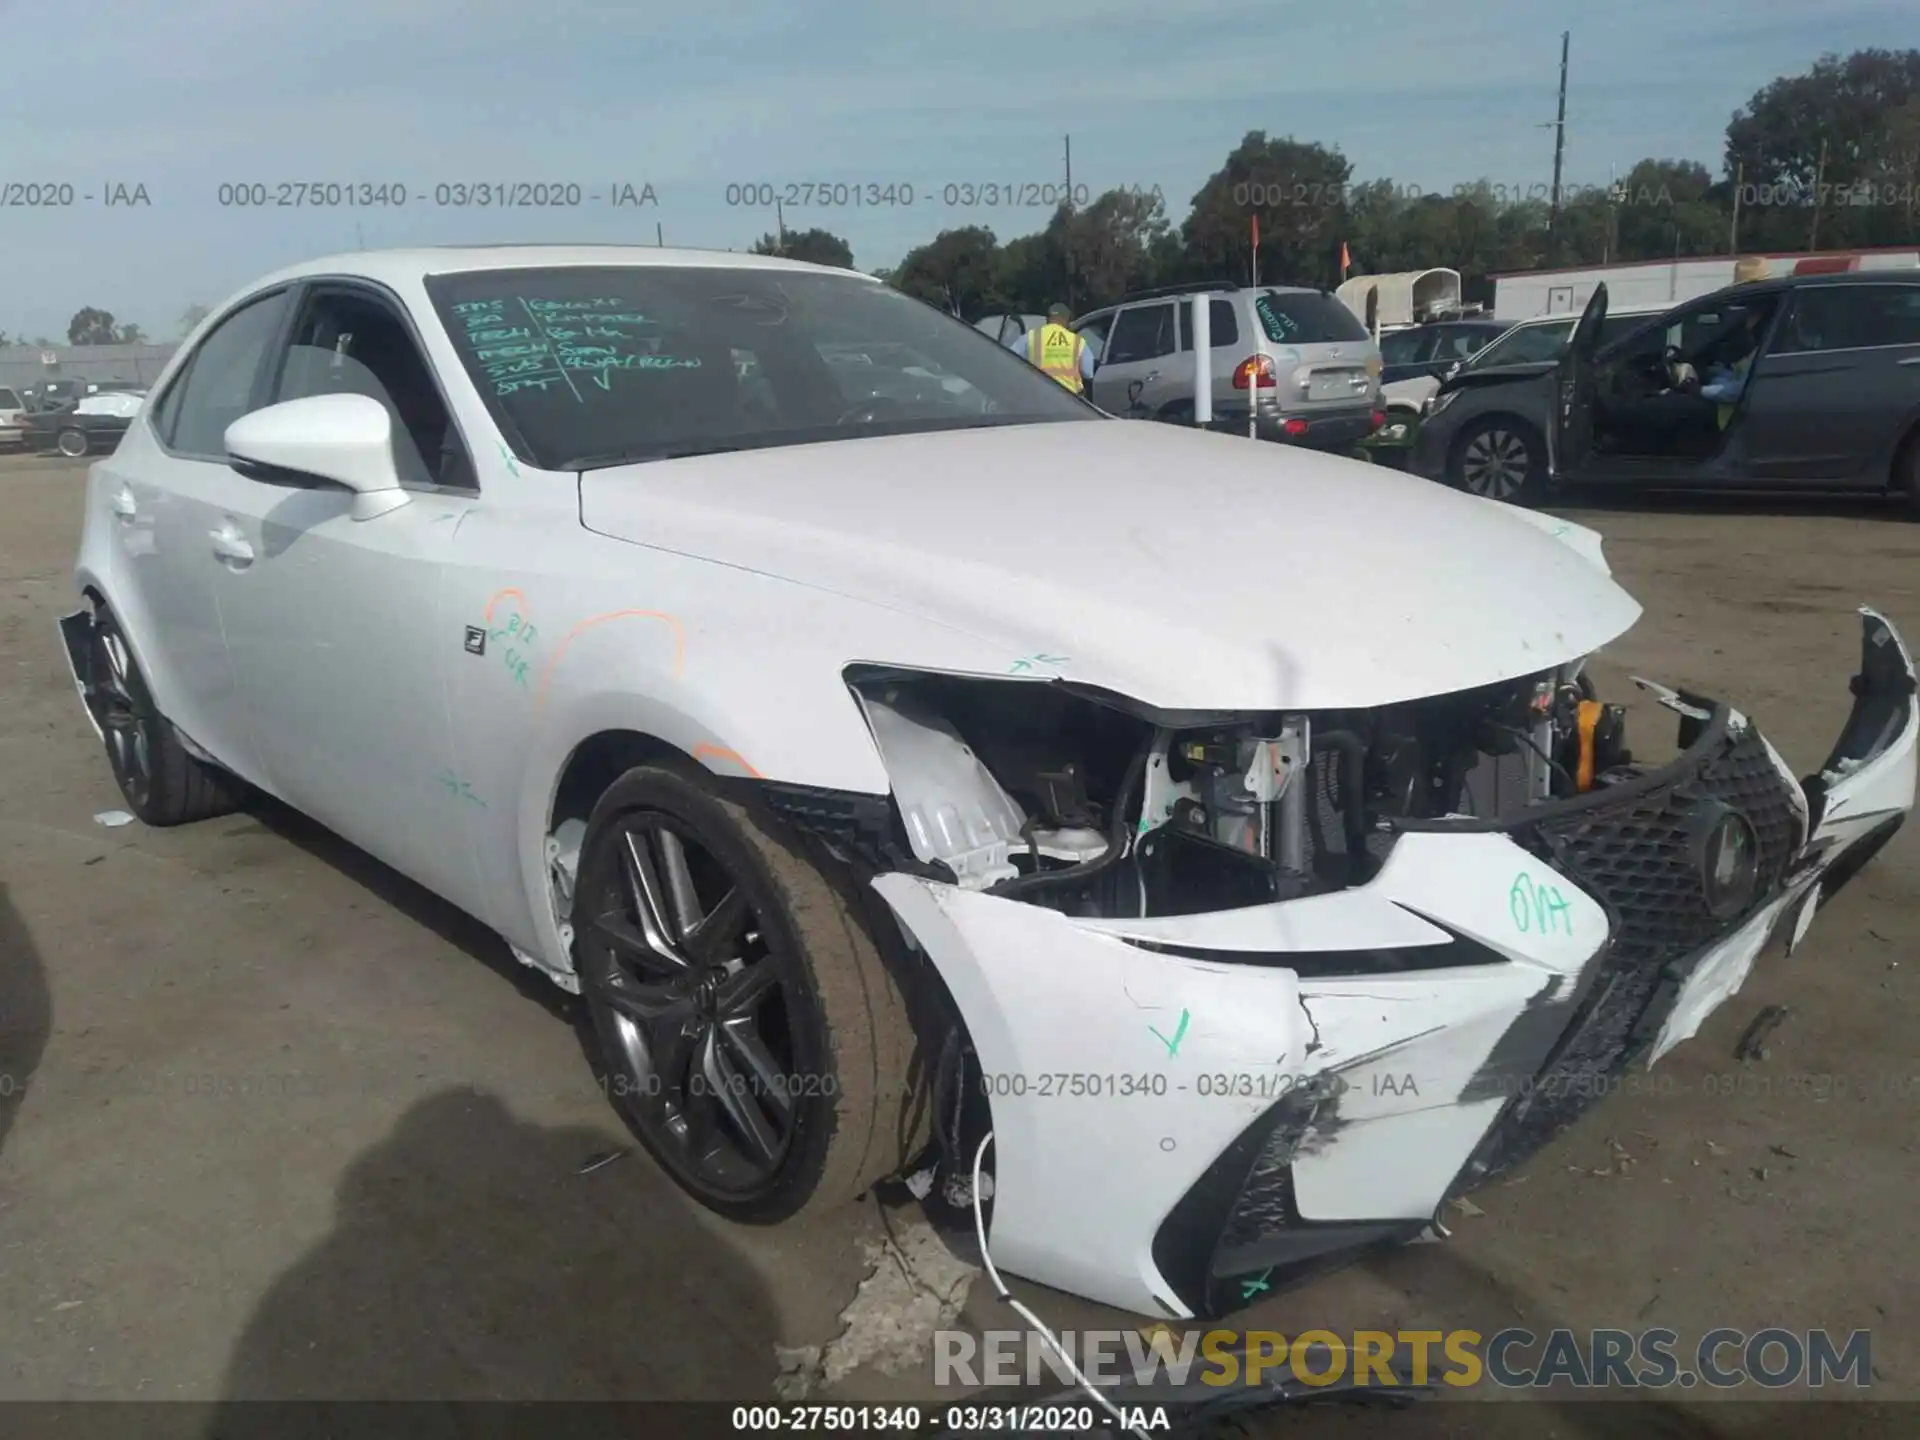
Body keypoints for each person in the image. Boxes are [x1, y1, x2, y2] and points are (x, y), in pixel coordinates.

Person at [1007, 304, 1095, 394]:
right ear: (1067, 320)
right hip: (1069, 398)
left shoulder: (1030, 336)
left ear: (1047, 319)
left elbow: (1009, 358)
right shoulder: (1078, 341)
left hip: (1036, 393)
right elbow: (1087, 372)